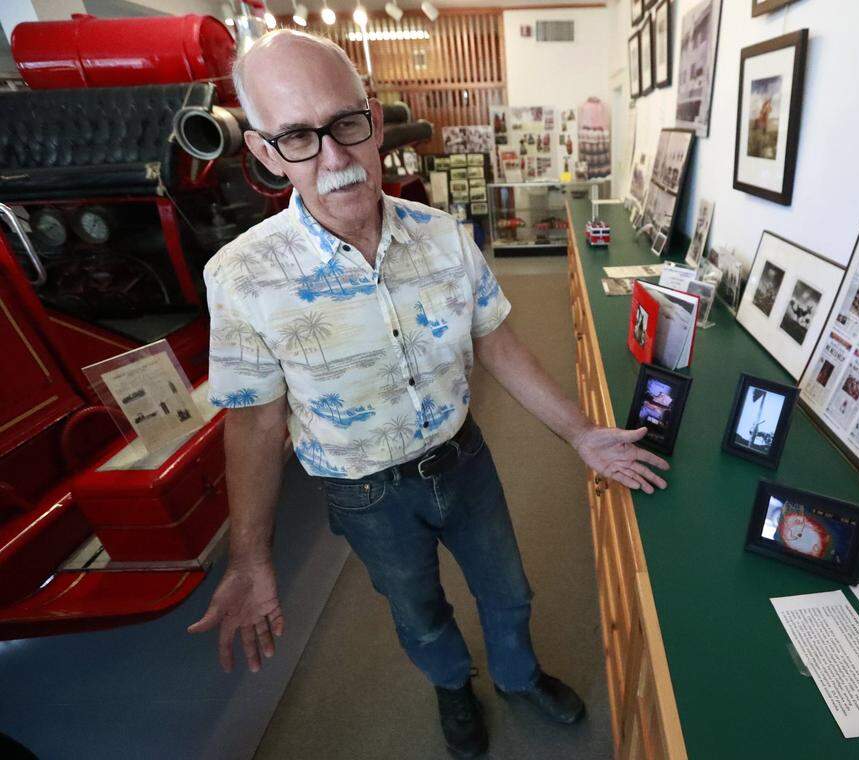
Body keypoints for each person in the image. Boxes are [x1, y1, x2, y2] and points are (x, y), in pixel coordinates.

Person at [187, 30, 670, 759]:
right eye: (296, 137)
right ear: (262, 152)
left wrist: (580, 433)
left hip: (464, 461)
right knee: (418, 615)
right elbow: (254, 425)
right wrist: (251, 560)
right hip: (363, 494)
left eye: (346, 124)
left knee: (509, 591)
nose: (334, 157)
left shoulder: (445, 237)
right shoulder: (240, 277)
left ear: (374, 119)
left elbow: (497, 343)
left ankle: (515, 677)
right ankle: (453, 688)